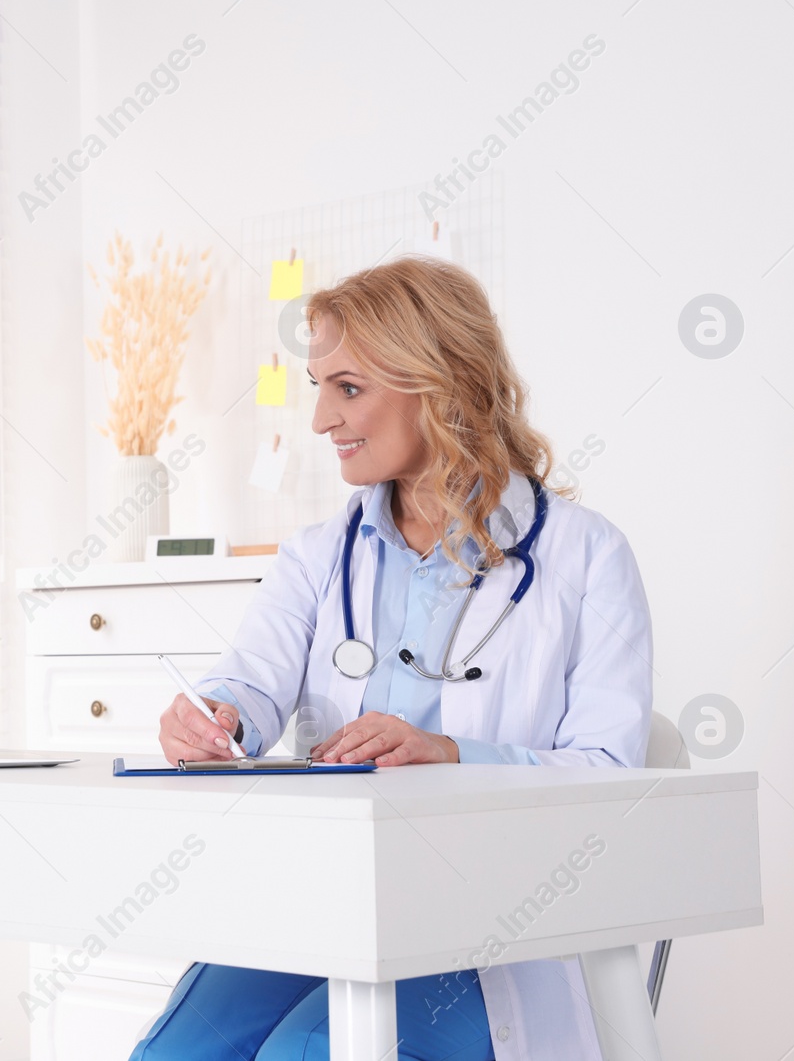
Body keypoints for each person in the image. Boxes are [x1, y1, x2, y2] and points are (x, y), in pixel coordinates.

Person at [130, 256, 652, 1061]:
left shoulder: (587, 558)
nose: (318, 420)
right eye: (317, 386)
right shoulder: (317, 555)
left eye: (347, 387)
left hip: (489, 927)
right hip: (326, 899)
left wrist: (451, 754)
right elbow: (249, 683)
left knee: (304, 1056)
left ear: (438, 383)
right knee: (175, 1054)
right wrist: (217, 714)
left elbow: (610, 776)